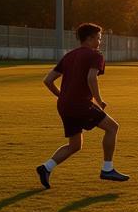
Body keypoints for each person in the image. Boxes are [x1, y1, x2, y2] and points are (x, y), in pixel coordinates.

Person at [36, 22, 128, 188]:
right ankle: (107, 169)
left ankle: (46, 167)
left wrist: (63, 96)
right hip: (80, 104)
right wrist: (99, 100)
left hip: (64, 105)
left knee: (75, 145)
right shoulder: (95, 55)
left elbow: (48, 80)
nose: (100, 42)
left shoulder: (69, 56)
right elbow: (91, 78)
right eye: (99, 38)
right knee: (112, 128)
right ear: (90, 38)